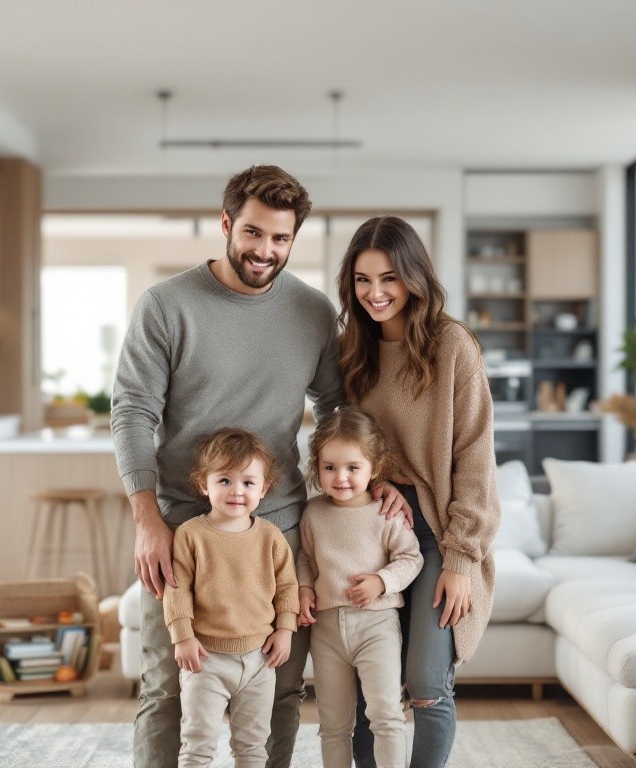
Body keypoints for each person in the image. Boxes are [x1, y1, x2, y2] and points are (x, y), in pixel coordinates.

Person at [111, 164, 408, 768]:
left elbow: (335, 409)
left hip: (278, 530)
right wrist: (146, 518)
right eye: (253, 233)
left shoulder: (313, 311)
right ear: (226, 224)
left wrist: (367, 483)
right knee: (167, 689)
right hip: (181, 524)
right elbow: (133, 410)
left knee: (278, 691)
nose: (265, 251)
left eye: (280, 238)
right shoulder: (166, 306)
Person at [336, 216, 501, 768]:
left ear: (413, 277)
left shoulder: (452, 345)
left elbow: (475, 455)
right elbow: (353, 445)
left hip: (439, 533)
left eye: (389, 278)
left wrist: (460, 557)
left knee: (428, 683)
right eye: (362, 280)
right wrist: (377, 480)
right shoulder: (353, 352)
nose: (376, 293)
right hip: (371, 529)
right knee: (367, 691)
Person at [164, 428, 299, 768]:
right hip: (205, 661)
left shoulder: (270, 536)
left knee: (253, 748)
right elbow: (176, 588)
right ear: (203, 484)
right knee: (197, 747)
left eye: (248, 483)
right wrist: (182, 637)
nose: (237, 491)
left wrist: (285, 630)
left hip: (259, 661)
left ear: (264, 488)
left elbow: (287, 586)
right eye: (224, 480)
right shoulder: (191, 535)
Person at [296, 406, 422, 768]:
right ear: (317, 467)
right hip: (326, 630)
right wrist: (305, 589)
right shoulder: (314, 513)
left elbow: (412, 559)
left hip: (377, 626)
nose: (341, 478)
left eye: (353, 467)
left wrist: (381, 581)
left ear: (374, 468)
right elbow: (305, 557)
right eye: (330, 467)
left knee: (386, 715)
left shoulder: (386, 513)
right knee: (333, 724)